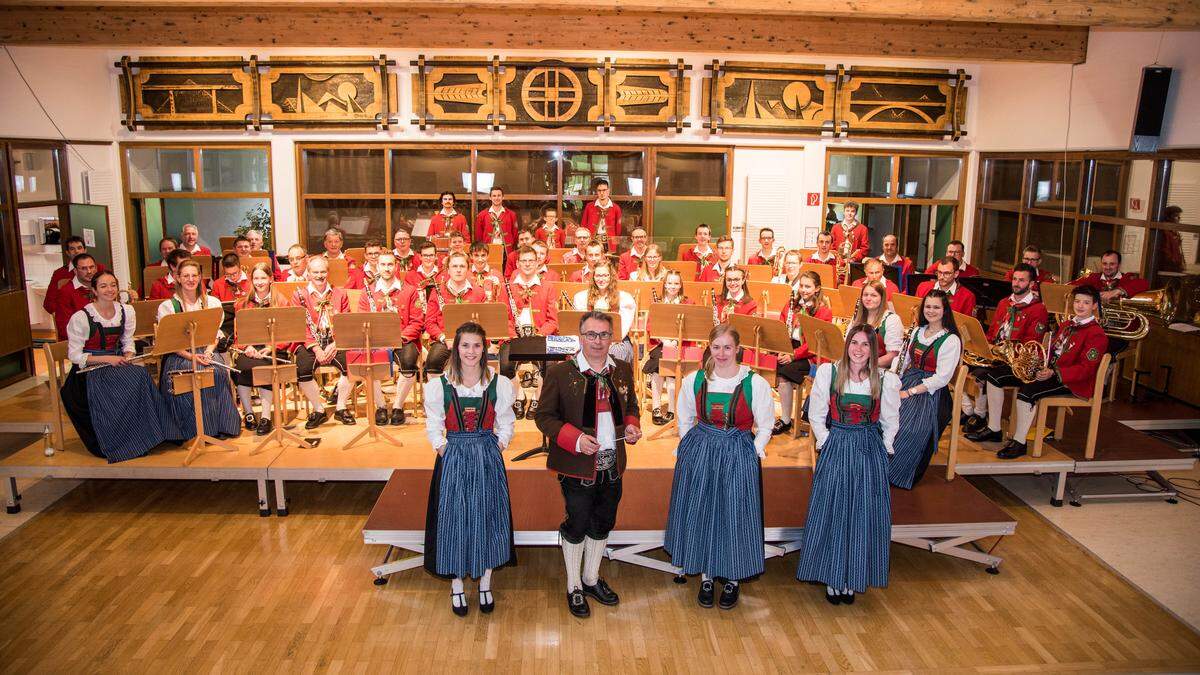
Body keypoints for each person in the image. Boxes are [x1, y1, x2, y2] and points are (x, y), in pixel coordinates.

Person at [534, 311, 641, 618]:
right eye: (591, 335)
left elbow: (630, 403)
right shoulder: (560, 373)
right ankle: (573, 586)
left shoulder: (621, 369)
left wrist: (631, 425)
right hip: (576, 466)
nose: (598, 341)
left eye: (604, 335)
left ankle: (591, 578)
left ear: (612, 338)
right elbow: (544, 418)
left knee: (604, 521)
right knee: (577, 524)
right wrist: (576, 440)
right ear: (580, 337)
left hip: (613, 464)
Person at [667, 324, 774, 609]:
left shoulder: (755, 383)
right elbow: (685, 417)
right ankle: (706, 574)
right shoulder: (695, 380)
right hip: (703, 450)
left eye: (728, 347)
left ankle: (732, 577)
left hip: (737, 449)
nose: (722, 353)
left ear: (738, 348)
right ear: (709, 348)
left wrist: (753, 450)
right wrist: (689, 446)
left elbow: (766, 425)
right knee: (702, 509)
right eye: (717, 347)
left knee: (733, 513)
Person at [796, 323, 900, 605]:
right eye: (854, 342)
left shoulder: (884, 380)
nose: (858, 349)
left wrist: (884, 446)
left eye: (865, 344)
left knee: (861, 513)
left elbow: (890, 420)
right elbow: (816, 414)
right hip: (838, 444)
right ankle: (832, 575)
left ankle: (852, 576)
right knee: (833, 510)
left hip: (868, 448)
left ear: (873, 350)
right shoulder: (830, 373)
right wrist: (828, 439)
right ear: (847, 344)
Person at [423, 322, 517, 617]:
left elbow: (506, 421)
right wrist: (443, 449)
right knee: (455, 518)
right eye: (465, 345)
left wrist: (497, 446)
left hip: (486, 455)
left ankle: (486, 582)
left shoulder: (498, 384)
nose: (471, 352)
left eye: (477, 345)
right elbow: (434, 423)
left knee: (487, 517)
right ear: (456, 349)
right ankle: (457, 585)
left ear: (485, 348)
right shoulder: (439, 386)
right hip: (453, 456)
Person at [60, 270, 177, 462]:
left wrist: (128, 355)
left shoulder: (126, 311)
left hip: (116, 363)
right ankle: (123, 440)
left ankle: (149, 435)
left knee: (139, 375)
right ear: (94, 290)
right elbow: (74, 355)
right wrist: (108, 359)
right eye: (104, 286)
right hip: (89, 371)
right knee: (126, 384)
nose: (110, 289)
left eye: (113, 285)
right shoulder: (81, 317)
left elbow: (127, 341)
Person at [984, 286, 1108, 460]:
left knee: (1028, 392)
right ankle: (994, 429)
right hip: (1048, 372)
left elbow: (1086, 369)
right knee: (995, 376)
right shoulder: (1066, 324)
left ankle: (1019, 443)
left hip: (1069, 381)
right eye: (1078, 301)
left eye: (1086, 303)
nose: (1080, 306)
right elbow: (1052, 351)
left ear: (1094, 306)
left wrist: (1054, 372)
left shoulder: (1096, 334)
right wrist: (1035, 364)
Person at [156, 259, 241, 440]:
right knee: (193, 374)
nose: (190, 279)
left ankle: (221, 425)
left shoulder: (211, 302)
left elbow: (215, 335)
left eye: (194, 275)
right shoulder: (168, 306)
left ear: (200, 277)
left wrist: (209, 352)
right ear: (178, 278)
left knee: (216, 370)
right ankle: (192, 431)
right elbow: (171, 343)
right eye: (186, 275)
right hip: (181, 354)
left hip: (207, 350)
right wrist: (192, 356)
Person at [962, 265, 1050, 436]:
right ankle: (976, 413)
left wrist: (999, 352)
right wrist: (982, 346)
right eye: (1015, 279)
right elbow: (992, 333)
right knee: (961, 363)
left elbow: (1030, 345)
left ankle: (987, 422)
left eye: (1022, 280)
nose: (1016, 283)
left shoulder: (1038, 309)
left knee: (983, 374)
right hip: (996, 354)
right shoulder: (1004, 303)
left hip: (1016, 362)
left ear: (1031, 283)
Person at [887, 290, 962, 489]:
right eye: (928, 306)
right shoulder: (917, 331)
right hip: (911, 379)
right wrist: (894, 379)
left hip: (933, 392)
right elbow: (905, 361)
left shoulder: (951, 340)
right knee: (884, 412)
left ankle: (899, 474)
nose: (931, 311)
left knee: (909, 427)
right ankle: (878, 468)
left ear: (945, 310)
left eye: (936, 307)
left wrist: (909, 392)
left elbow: (942, 378)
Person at [356, 252, 423, 426]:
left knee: (409, 362)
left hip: (404, 339)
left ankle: (398, 407)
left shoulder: (410, 291)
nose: (387, 268)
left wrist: (399, 337)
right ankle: (380, 406)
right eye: (383, 265)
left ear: (396, 267)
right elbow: (362, 322)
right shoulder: (367, 293)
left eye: (390, 265)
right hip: (376, 340)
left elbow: (417, 321)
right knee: (368, 362)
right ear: (377, 266)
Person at [291, 256, 355, 428]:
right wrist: (317, 349)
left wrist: (336, 343)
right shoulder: (299, 295)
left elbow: (346, 321)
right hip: (310, 342)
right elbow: (300, 326)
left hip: (335, 340)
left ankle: (341, 407)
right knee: (302, 369)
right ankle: (319, 409)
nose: (319, 276)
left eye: (322, 272)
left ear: (328, 272)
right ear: (308, 274)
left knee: (352, 364)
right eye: (315, 272)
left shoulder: (340, 293)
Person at [498, 245, 559, 419]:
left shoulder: (547, 287)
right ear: (517, 263)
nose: (527, 264)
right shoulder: (506, 288)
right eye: (523, 261)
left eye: (531, 260)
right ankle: (519, 396)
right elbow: (504, 317)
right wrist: (513, 335)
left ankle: (537, 399)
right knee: (506, 365)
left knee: (550, 365)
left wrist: (540, 335)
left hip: (540, 335)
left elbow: (553, 319)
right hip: (514, 337)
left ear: (538, 262)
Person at [231, 262, 292, 435]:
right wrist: (247, 346)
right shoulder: (242, 304)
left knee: (266, 369)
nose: (259, 282)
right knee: (239, 369)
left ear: (271, 279)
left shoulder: (281, 301)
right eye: (256, 278)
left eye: (263, 278)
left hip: (273, 347)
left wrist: (271, 347)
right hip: (250, 348)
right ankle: (249, 414)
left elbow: (288, 333)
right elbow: (238, 333)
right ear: (251, 280)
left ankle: (266, 417)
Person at [773, 271, 832, 435]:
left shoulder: (823, 311)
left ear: (817, 288)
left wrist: (792, 354)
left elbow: (813, 344)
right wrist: (781, 349)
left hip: (812, 355)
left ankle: (786, 420)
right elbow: (781, 325)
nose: (803, 290)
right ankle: (784, 419)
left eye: (808, 286)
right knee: (771, 363)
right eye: (802, 286)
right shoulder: (792, 304)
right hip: (789, 347)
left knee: (785, 370)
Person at [643, 270, 693, 425]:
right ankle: (657, 407)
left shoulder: (688, 302)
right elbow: (651, 326)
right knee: (659, 360)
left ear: (681, 285)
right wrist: (665, 341)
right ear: (664, 284)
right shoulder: (657, 303)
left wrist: (676, 342)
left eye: (676, 283)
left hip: (681, 344)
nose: (672, 286)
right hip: (660, 343)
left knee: (672, 361)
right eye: (669, 283)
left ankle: (672, 408)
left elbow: (691, 327)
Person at [571, 262, 637, 363]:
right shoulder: (582, 297)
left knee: (614, 354)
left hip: (616, 342)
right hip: (590, 341)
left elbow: (622, 330)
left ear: (611, 277)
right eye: (598, 275)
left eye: (605, 275)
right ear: (593, 277)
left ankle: (608, 378)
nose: (601, 279)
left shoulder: (624, 298)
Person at [44, 236, 105, 322]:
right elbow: (49, 303)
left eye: (79, 248)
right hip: (71, 318)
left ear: (85, 250)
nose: (77, 251)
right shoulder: (59, 274)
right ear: (67, 252)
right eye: (72, 249)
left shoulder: (99, 268)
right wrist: (63, 313)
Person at [850, 280, 903, 369]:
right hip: (856, 365)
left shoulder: (892, 320)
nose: (868, 298)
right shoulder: (857, 317)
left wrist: (867, 365)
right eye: (865, 295)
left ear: (882, 298)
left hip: (877, 368)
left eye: (874, 295)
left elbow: (893, 355)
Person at [51, 253, 99, 340]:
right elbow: (64, 329)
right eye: (84, 268)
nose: (89, 271)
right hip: (80, 344)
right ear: (75, 271)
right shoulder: (66, 292)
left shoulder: (101, 288)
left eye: (92, 267)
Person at [1071, 249, 1149, 302]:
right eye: (1105, 264)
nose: (1108, 267)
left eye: (1112, 264)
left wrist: (1117, 291)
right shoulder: (1093, 277)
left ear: (1119, 264)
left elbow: (1144, 283)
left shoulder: (1126, 277)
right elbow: (1071, 285)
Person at [579, 179, 621, 252]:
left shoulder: (616, 208)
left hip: (609, 243)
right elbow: (584, 225)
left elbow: (618, 229)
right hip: (592, 242)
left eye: (604, 190)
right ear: (596, 191)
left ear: (608, 191)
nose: (602, 193)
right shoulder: (589, 206)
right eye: (599, 190)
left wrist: (615, 245)